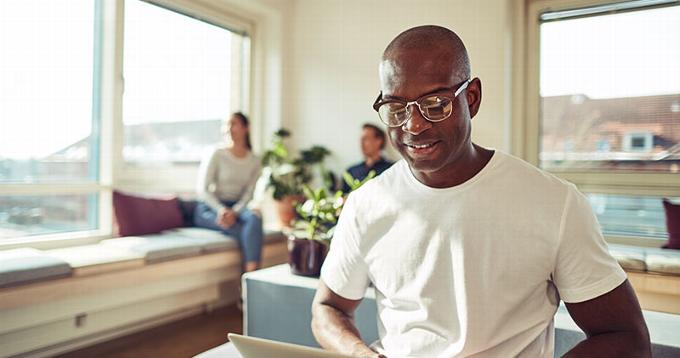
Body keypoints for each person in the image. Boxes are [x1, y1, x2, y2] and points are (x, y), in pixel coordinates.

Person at [311, 26, 650, 357]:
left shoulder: (553, 203)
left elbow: (625, 338)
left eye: (435, 104)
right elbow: (328, 307)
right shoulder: (367, 204)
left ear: (471, 99)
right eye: (397, 108)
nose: (413, 125)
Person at [194, 112, 263, 273]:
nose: (228, 129)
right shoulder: (216, 154)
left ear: (246, 128)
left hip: (237, 208)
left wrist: (235, 212)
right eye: (226, 124)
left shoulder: (255, 161)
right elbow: (203, 190)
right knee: (244, 231)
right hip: (211, 208)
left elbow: (249, 194)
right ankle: (248, 281)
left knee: (254, 219)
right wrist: (221, 210)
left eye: (233, 124)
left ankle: (250, 279)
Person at [342, 124, 393, 193]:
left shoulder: (391, 170)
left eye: (365, 139)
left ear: (379, 141)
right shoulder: (350, 172)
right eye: (361, 139)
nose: (361, 143)